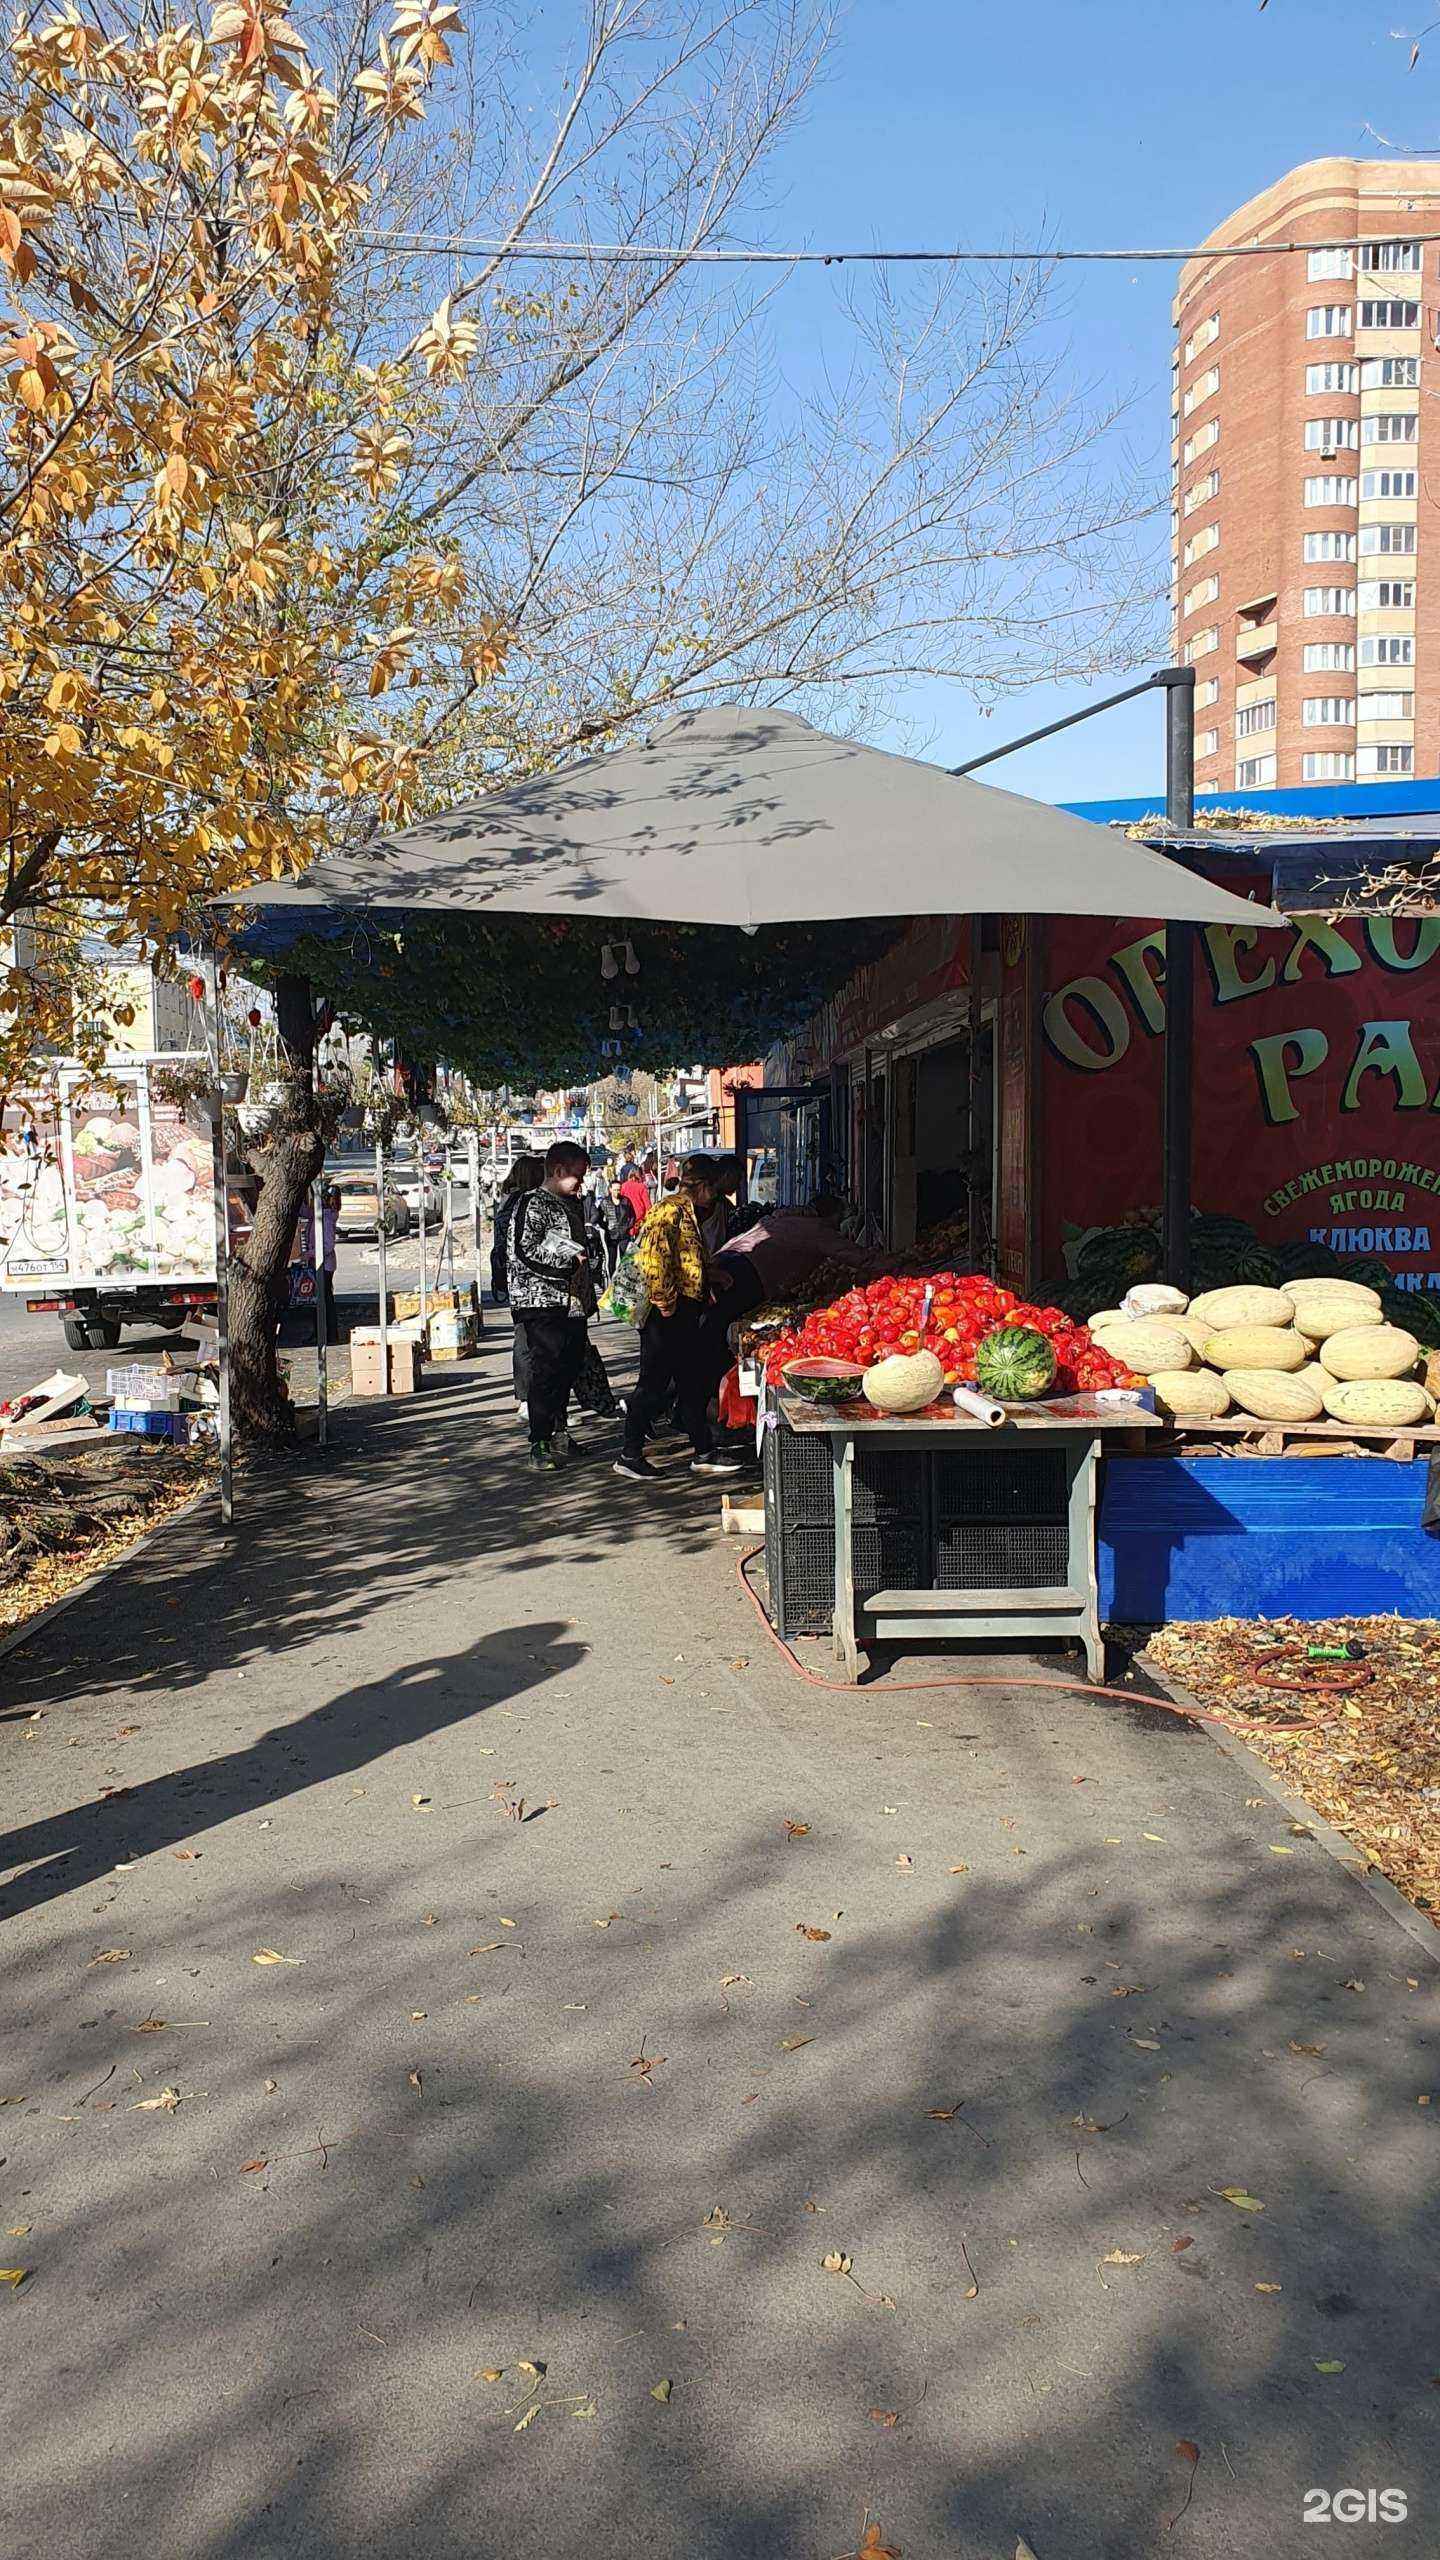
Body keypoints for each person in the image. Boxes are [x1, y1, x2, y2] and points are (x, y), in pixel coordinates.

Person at [613, 1159, 741, 1482]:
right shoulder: (669, 1211)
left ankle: (703, 1450)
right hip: (666, 1314)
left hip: (683, 1311)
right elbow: (654, 1260)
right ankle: (630, 1454)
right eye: (713, 1191)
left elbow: (684, 1260)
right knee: (653, 1384)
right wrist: (666, 1306)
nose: (715, 1199)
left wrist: (711, 1276)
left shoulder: (687, 1213)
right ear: (701, 1187)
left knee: (690, 1381)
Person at [506, 1141, 595, 1468]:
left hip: (571, 1301)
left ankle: (559, 1433)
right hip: (539, 1301)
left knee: (568, 1366)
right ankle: (540, 1442)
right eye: (577, 1177)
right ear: (558, 1171)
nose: (580, 1184)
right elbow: (526, 1251)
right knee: (546, 1369)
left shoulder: (569, 1202)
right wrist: (568, 1264)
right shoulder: (531, 1203)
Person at [616, 1156, 651, 1236]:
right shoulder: (641, 1186)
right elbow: (648, 1205)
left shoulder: (624, 1186)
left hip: (627, 1216)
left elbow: (619, 1200)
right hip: (639, 1217)